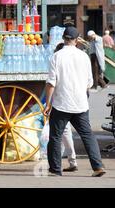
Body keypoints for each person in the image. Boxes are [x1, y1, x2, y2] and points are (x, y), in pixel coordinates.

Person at [43, 26, 105, 177]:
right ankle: (98, 167)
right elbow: (89, 82)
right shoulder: (83, 56)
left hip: (61, 104)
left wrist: (48, 103)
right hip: (80, 104)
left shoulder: (56, 56)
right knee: (87, 135)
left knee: (55, 136)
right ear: (77, 40)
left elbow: (51, 82)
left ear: (64, 39)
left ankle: (56, 169)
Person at [53, 42, 78, 172]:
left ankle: (56, 166)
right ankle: (72, 160)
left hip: (63, 103)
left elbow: (52, 83)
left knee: (58, 133)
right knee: (82, 132)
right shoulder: (78, 59)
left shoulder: (58, 61)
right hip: (78, 101)